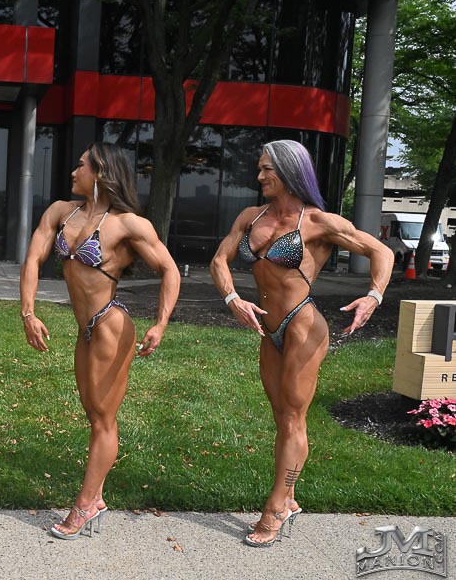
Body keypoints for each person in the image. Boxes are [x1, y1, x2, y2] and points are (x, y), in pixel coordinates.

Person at [210, 139, 393, 547]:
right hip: (268, 329)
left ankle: (276, 507)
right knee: (283, 418)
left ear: (290, 171)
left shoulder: (318, 222)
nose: (259, 176)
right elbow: (219, 260)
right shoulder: (250, 216)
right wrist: (232, 298)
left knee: (293, 418)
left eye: (267, 169)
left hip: (302, 327)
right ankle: (289, 498)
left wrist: (373, 296)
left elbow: (380, 251)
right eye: (259, 168)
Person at [20, 142, 180, 539]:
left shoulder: (128, 224)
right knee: (94, 415)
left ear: (101, 172)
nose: (73, 172)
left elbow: (170, 270)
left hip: (110, 325)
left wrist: (160, 324)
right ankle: (97, 498)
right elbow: (33, 258)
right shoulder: (62, 212)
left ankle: (85, 505)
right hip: (84, 328)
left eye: (81, 165)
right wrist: (28, 312)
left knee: (103, 419)